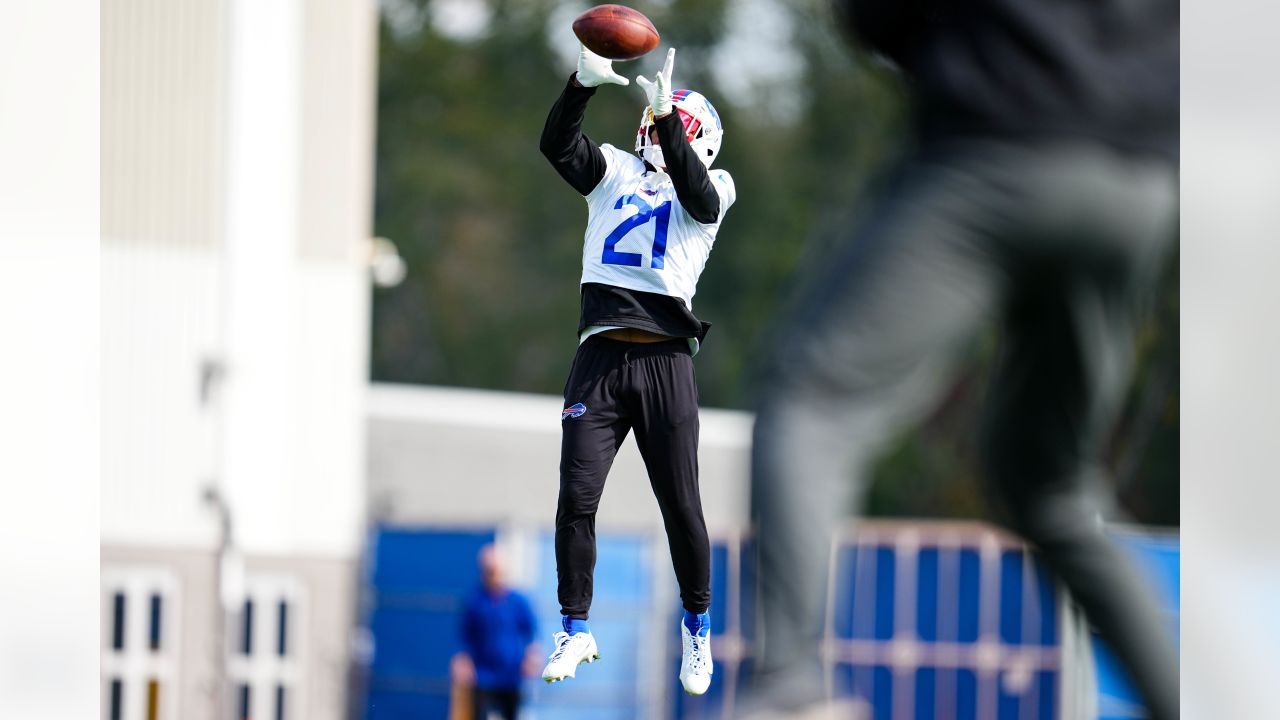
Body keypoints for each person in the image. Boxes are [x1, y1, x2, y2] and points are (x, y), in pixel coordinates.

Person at [742, 1, 1179, 718]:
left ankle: (787, 690)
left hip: (999, 142)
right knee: (1051, 486)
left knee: (813, 405)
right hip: (1141, 183)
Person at [536, 44, 736, 696]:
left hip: (664, 360)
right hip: (599, 356)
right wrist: (582, 85)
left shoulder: (715, 186)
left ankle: (698, 628)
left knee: (681, 505)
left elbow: (700, 201)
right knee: (576, 496)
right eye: (651, 123)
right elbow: (556, 145)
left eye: (665, 125)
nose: (650, 131)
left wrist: (670, 123)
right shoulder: (617, 171)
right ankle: (575, 626)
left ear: (694, 137)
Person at [452, 545, 539, 720]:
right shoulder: (475, 601)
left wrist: (532, 656)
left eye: (496, 571)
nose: (493, 575)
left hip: (512, 675)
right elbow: (464, 636)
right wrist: (462, 660)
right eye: (488, 571)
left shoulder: (518, 601)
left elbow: (531, 632)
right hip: (483, 676)